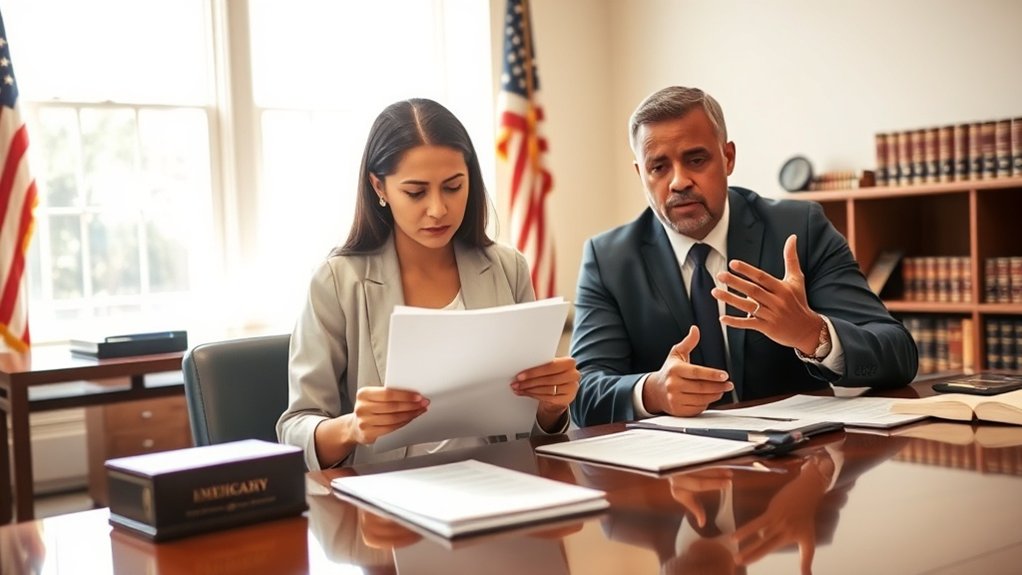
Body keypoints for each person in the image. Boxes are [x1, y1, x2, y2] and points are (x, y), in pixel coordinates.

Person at [570, 86, 917, 426]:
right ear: (641, 175)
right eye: (659, 167)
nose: (679, 181)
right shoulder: (608, 259)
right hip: (674, 473)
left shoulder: (800, 229)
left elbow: (898, 354)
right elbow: (582, 395)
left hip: (796, 465)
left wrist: (812, 333)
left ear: (728, 157)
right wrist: (652, 392)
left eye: (696, 159)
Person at [277, 98, 578, 470]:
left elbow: (531, 432)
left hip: (498, 478)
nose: (438, 209)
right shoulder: (337, 280)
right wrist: (352, 428)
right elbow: (295, 429)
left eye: (453, 187)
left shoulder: (507, 267)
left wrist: (551, 407)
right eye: (416, 192)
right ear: (379, 187)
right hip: (385, 495)